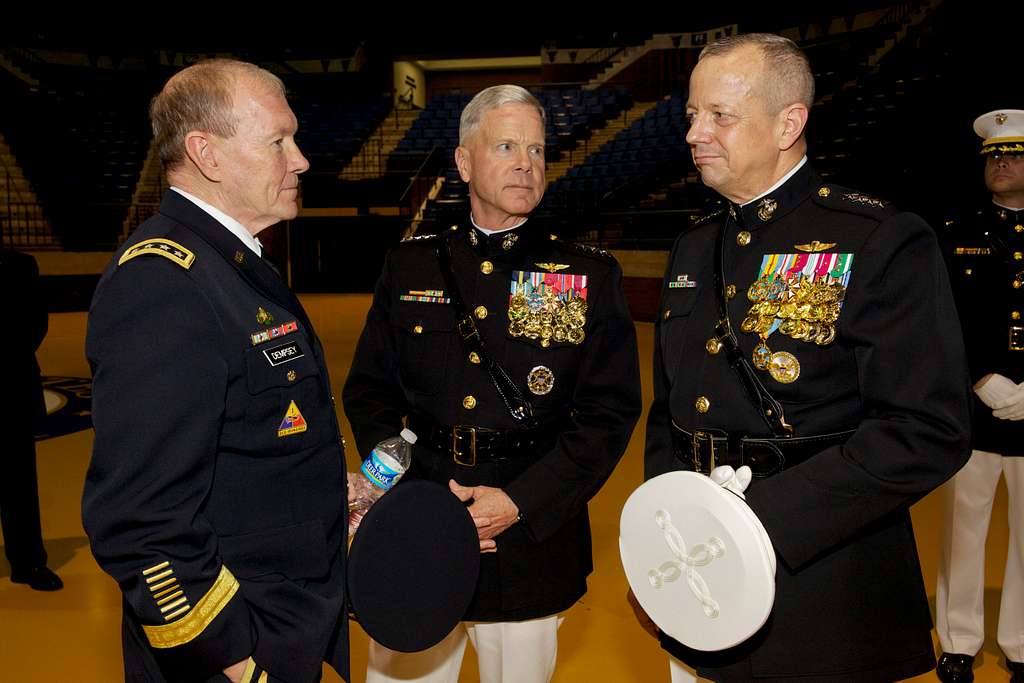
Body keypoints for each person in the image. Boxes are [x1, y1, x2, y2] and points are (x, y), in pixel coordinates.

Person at [640, 33, 972, 681]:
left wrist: (760, 518)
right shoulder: (692, 247)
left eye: (720, 116)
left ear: (789, 122)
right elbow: (670, 417)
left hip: (823, 588)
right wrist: (666, 538)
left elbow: (927, 429)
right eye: (691, 116)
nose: (694, 134)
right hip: (698, 577)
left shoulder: (877, 239)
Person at [343, 84, 641, 683]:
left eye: (536, 150)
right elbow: (370, 391)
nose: (526, 164)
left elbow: (608, 414)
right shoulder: (411, 265)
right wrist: (397, 486)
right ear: (463, 162)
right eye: (506, 145)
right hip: (419, 518)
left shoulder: (587, 273)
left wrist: (521, 502)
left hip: (528, 539)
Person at [82, 59, 348, 683]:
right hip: (232, 643)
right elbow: (141, 522)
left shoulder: (227, 264)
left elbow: (246, 442)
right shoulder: (164, 283)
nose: (301, 159)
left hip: (283, 620)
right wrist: (234, 661)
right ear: (207, 154)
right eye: (278, 141)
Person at [935, 109, 1024, 683]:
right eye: (992, 155)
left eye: (1013, 154)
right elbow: (939, 318)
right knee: (963, 531)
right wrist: (979, 379)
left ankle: (1021, 642)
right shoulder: (957, 231)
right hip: (974, 410)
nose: (1000, 163)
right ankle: (959, 640)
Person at [0, 248, 62, 591]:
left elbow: (37, 322)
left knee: (19, 484)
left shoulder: (20, 265)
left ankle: (28, 564)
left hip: (11, 388)